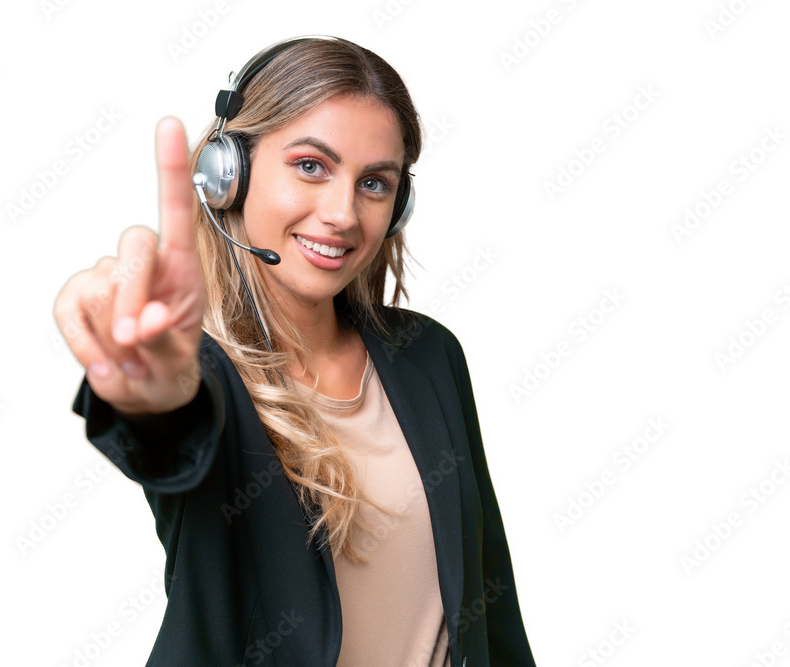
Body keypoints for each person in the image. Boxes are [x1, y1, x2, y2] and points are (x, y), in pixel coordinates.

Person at [54, 35, 537, 667]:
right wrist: (149, 392)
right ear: (229, 173)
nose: (342, 213)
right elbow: (168, 437)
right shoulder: (204, 379)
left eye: (373, 183)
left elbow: (490, 611)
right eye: (311, 165)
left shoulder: (427, 355)